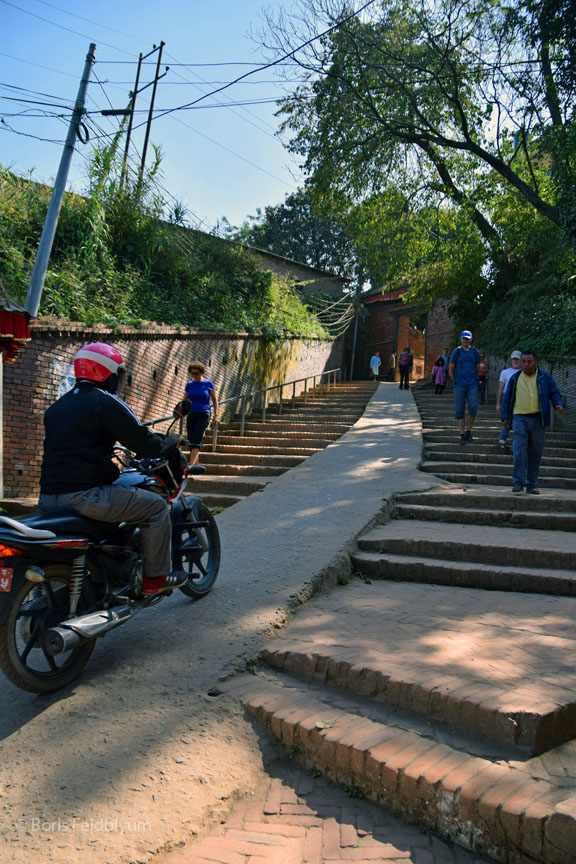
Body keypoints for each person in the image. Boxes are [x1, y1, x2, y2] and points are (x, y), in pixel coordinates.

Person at [38, 343, 187, 596]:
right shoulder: (105, 402)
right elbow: (145, 443)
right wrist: (171, 441)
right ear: (107, 373)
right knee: (156, 507)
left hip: (48, 499)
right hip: (86, 497)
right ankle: (155, 579)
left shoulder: (57, 407)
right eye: (118, 374)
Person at [502, 349, 564, 494]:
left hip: (538, 418)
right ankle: (518, 481)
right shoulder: (515, 378)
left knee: (535, 452)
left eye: (529, 361)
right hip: (520, 418)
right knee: (519, 449)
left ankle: (531, 483)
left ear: (536, 362)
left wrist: (558, 404)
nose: (526, 364)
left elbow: (554, 393)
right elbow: (507, 399)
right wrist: (506, 417)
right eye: (524, 361)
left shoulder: (545, 378)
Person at [182, 361, 218, 465]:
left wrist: (216, 415)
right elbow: (184, 401)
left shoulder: (208, 383)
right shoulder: (189, 385)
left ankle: (191, 466)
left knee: (196, 438)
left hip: (204, 414)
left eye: (196, 373)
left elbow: (215, 400)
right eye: (192, 373)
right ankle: (196, 465)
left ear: (201, 372)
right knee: (191, 439)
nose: (194, 375)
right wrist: (181, 411)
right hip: (191, 414)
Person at [449, 330, 481, 444]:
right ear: (461, 339)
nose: (465, 340)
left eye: (467, 338)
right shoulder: (457, 351)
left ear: (471, 339)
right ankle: (462, 434)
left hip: (472, 384)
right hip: (460, 384)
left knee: (473, 407)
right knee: (459, 410)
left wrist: (477, 379)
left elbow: (478, 366)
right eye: (463, 338)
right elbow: (451, 367)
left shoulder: (475, 351)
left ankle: (469, 431)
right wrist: (454, 381)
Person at [495, 350, 522, 448]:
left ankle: (508, 441)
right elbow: (500, 388)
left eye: (517, 359)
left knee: (517, 421)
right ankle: (503, 438)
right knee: (507, 419)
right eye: (514, 359)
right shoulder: (505, 372)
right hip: (507, 399)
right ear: (510, 360)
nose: (515, 361)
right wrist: (498, 403)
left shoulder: (524, 372)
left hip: (520, 399)